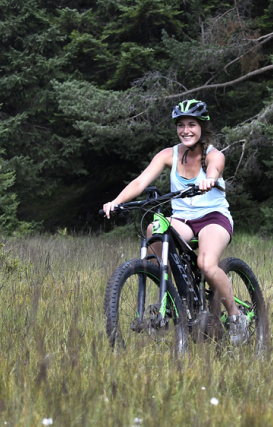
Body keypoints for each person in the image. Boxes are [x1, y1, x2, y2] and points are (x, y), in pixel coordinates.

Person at [102, 100, 249, 344]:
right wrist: (116, 201)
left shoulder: (214, 155)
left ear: (202, 127)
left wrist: (209, 180)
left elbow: (215, 168)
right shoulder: (168, 155)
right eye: (180, 125)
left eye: (192, 124)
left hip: (213, 218)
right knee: (154, 228)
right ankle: (174, 297)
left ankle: (236, 317)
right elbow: (140, 182)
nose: (186, 130)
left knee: (207, 265)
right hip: (182, 218)